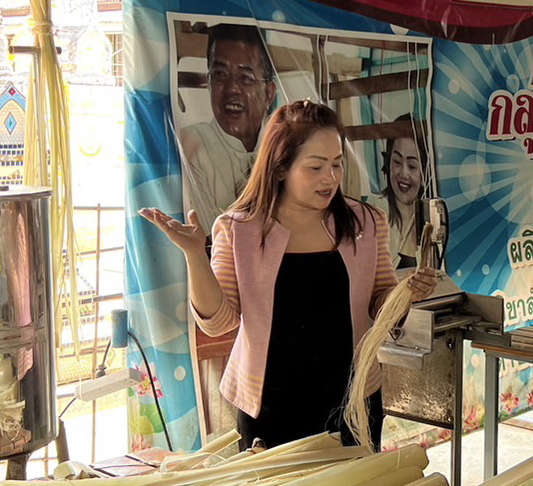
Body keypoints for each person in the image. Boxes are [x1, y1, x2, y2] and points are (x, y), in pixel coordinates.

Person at [145, 101, 438, 451]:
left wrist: (406, 294)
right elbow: (219, 322)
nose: (330, 178)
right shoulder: (239, 230)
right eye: (315, 167)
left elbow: (380, 302)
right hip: (269, 407)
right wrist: (194, 254)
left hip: (354, 400)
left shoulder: (365, 223)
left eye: (336, 164)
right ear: (280, 168)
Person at [178, 24, 279, 235]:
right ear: (208, 83)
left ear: (269, 94)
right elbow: (210, 238)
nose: (232, 88)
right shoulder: (192, 145)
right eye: (220, 74)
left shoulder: (283, 146)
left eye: (246, 78)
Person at [381, 117, 427, 270]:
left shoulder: (434, 216)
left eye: (412, 166)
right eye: (397, 162)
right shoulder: (373, 212)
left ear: (425, 171)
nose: (403, 174)